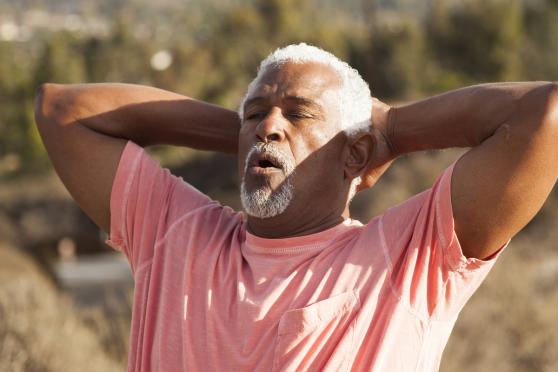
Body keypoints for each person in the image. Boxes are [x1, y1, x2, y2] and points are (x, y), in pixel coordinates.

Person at [34, 43, 558, 372]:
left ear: (355, 151)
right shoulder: (175, 233)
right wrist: (259, 134)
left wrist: (391, 131)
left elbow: (544, 116)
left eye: (299, 113)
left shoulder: (407, 258)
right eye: (256, 113)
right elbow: (64, 112)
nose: (268, 124)